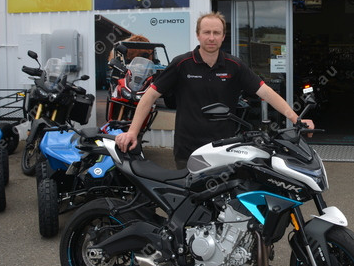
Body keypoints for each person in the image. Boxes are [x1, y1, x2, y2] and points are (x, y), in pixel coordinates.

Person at [115, 11, 314, 169]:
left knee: (223, 203)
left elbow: (266, 93)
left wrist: (295, 118)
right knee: (190, 203)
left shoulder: (235, 66)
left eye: (216, 33)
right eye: (207, 32)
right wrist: (133, 132)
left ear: (223, 36)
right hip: (188, 150)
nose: (211, 38)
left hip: (224, 149)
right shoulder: (181, 64)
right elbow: (149, 96)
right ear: (198, 35)